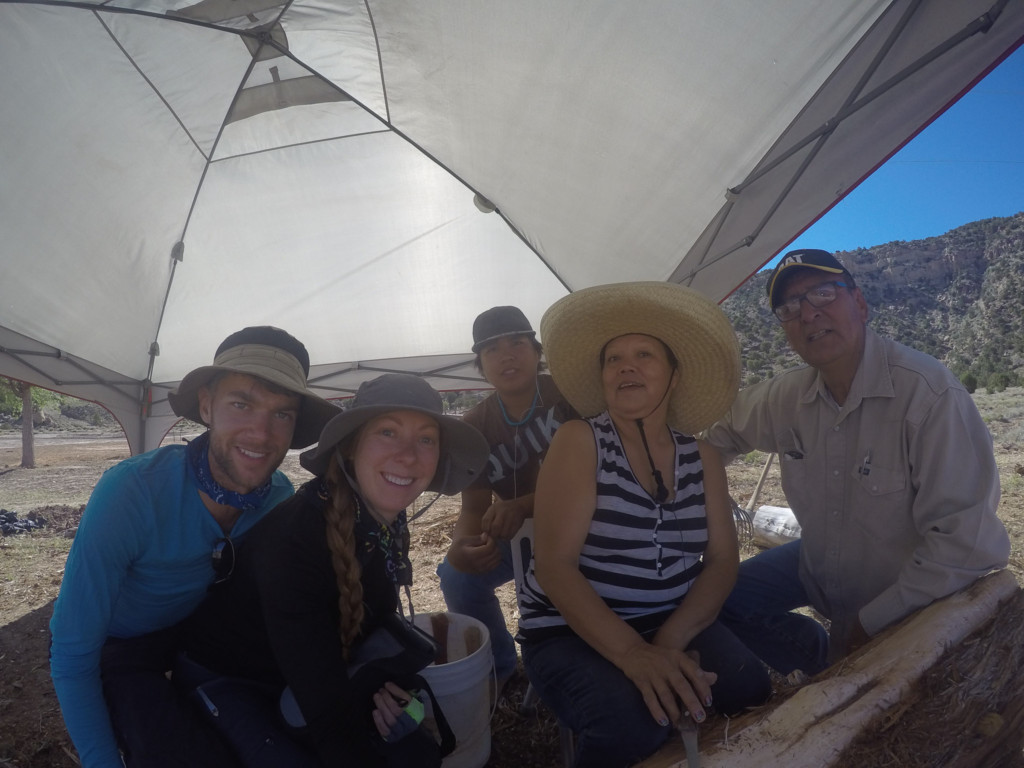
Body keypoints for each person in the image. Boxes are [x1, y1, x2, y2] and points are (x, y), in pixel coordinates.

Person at [705, 248, 1012, 675]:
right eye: (790, 307)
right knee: (716, 601)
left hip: (903, 598)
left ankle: (839, 667)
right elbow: (715, 436)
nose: (808, 314)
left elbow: (966, 544)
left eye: (823, 294)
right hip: (818, 565)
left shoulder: (928, 394)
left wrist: (869, 624)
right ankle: (821, 663)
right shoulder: (786, 396)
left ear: (861, 304)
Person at [49, 326, 339, 768]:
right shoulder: (133, 493)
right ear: (206, 406)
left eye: (282, 414)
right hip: (122, 647)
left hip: (202, 640)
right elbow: (73, 652)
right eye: (242, 404)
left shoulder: (278, 498)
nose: (261, 434)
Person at [519, 283, 772, 768]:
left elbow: (721, 560)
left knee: (749, 687)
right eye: (613, 359)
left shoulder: (703, 458)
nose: (626, 366)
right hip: (569, 631)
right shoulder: (580, 441)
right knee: (628, 725)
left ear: (674, 376)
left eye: (644, 355)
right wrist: (635, 655)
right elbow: (555, 565)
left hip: (669, 622)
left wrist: (668, 644)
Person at [180, 373, 489, 767]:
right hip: (228, 680)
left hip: (304, 677)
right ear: (350, 447)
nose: (409, 456)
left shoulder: (385, 521)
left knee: (416, 752)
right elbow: (328, 717)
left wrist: (386, 693)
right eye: (388, 432)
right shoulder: (296, 542)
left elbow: (359, 632)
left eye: (426, 439)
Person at [436, 306, 576, 686]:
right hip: (521, 539)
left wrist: (522, 505)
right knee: (457, 577)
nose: (507, 355)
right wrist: (461, 546)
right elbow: (475, 506)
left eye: (518, 343)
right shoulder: (475, 427)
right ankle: (500, 668)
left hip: (585, 531)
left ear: (536, 352)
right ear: (480, 363)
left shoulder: (571, 395)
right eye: (492, 349)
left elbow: (593, 477)